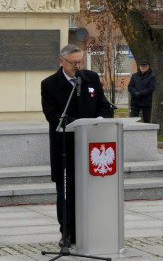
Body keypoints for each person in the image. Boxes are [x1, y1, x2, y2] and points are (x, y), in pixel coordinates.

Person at [41, 44, 113, 245]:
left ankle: (90, 229)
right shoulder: (49, 84)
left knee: (89, 190)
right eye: (73, 63)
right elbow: (52, 115)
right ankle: (67, 232)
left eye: (80, 61)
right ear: (61, 61)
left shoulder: (90, 78)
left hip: (91, 146)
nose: (77, 66)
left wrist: (100, 118)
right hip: (65, 146)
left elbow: (104, 105)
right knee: (66, 192)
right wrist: (75, 123)